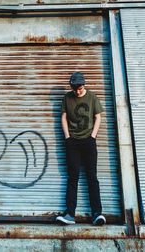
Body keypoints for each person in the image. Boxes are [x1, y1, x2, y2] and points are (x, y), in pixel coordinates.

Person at [56, 72, 106, 226]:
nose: (78, 91)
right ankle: (70, 214)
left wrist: (93, 137)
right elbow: (63, 117)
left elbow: (98, 116)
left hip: (89, 142)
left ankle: (97, 213)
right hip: (73, 143)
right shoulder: (67, 98)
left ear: (84, 85)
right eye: (75, 88)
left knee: (92, 177)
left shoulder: (91, 96)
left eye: (80, 88)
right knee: (73, 177)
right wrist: (67, 138)